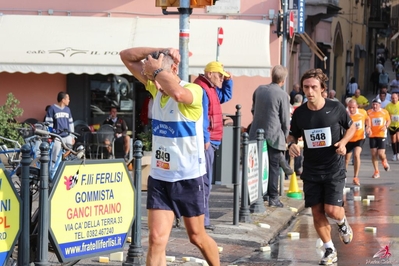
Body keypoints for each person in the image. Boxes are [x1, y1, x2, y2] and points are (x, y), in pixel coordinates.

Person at [120, 47, 220, 266]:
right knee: (156, 239)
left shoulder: (194, 90)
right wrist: (159, 51)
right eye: (150, 77)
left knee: (196, 237)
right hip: (161, 177)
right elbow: (125, 56)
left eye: (157, 76)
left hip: (190, 177)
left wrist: (156, 71)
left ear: (174, 69)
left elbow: (177, 93)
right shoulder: (156, 89)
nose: (152, 83)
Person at [287, 69, 356, 265]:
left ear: (322, 89)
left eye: (314, 87)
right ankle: (329, 249)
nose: (309, 91)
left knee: (332, 210)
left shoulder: (335, 108)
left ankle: (342, 223)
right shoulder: (300, 113)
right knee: (316, 211)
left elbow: (351, 127)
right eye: (306, 87)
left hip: (333, 167)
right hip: (311, 169)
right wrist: (291, 144)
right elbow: (293, 134)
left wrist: (343, 142)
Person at [193, 61, 233, 230]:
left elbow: (226, 96)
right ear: (209, 74)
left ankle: (201, 217)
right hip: (207, 141)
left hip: (213, 140)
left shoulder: (211, 88)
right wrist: (205, 138)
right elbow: (200, 115)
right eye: (219, 75)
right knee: (205, 181)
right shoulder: (202, 88)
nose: (221, 78)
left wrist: (229, 79)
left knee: (205, 180)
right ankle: (203, 219)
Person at [249, 65, 291, 208]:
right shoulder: (282, 95)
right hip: (274, 134)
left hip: (256, 132)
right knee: (273, 167)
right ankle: (273, 197)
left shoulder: (259, 89)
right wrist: (284, 136)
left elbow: (253, 109)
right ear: (283, 80)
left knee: (258, 165)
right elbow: (285, 119)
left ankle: (259, 194)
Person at [45, 92, 75, 163]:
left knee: (70, 149)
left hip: (67, 135)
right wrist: (51, 135)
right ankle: (53, 170)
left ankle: (63, 161)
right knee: (55, 154)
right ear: (63, 100)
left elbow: (71, 123)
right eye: (68, 99)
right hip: (57, 136)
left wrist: (72, 136)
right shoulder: (52, 109)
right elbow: (49, 124)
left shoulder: (68, 110)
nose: (69, 100)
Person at [345, 99, 369, 186]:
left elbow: (367, 119)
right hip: (348, 139)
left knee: (356, 154)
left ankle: (355, 177)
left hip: (360, 138)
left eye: (353, 108)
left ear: (357, 107)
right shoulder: (345, 113)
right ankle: (343, 177)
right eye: (350, 107)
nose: (351, 109)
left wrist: (368, 127)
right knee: (346, 159)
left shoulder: (362, 112)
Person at [367, 98, 391, 178]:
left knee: (381, 153)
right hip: (372, 135)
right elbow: (367, 122)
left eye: (376, 104)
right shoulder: (369, 112)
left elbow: (389, 120)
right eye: (373, 104)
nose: (374, 106)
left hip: (381, 134)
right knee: (373, 153)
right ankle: (376, 171)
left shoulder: (384, 112)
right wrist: (368, 128)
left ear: (380, 105)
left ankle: (384, 161)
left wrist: (386, 126)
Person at [385, 93, 399, 161]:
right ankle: (394, 154)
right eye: (393, 98)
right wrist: (389, 117)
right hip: (391, 125)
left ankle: (398, 153)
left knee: (398, 138)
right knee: (393, 140)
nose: (394, 99)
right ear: (391, 98)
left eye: (395, 98)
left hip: (398, 124)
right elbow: (385, 114)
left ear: (398, 98)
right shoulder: (388, 106)